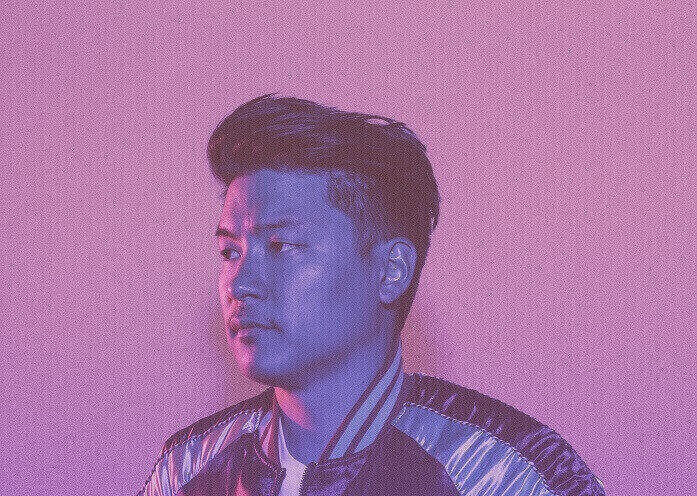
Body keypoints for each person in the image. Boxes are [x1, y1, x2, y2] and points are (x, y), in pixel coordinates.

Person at [137, 95, 605, 496]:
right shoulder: (187, 471)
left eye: (281, 246)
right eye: (230, 251)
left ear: (390, 270)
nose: (240, 283)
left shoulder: (501, 475)